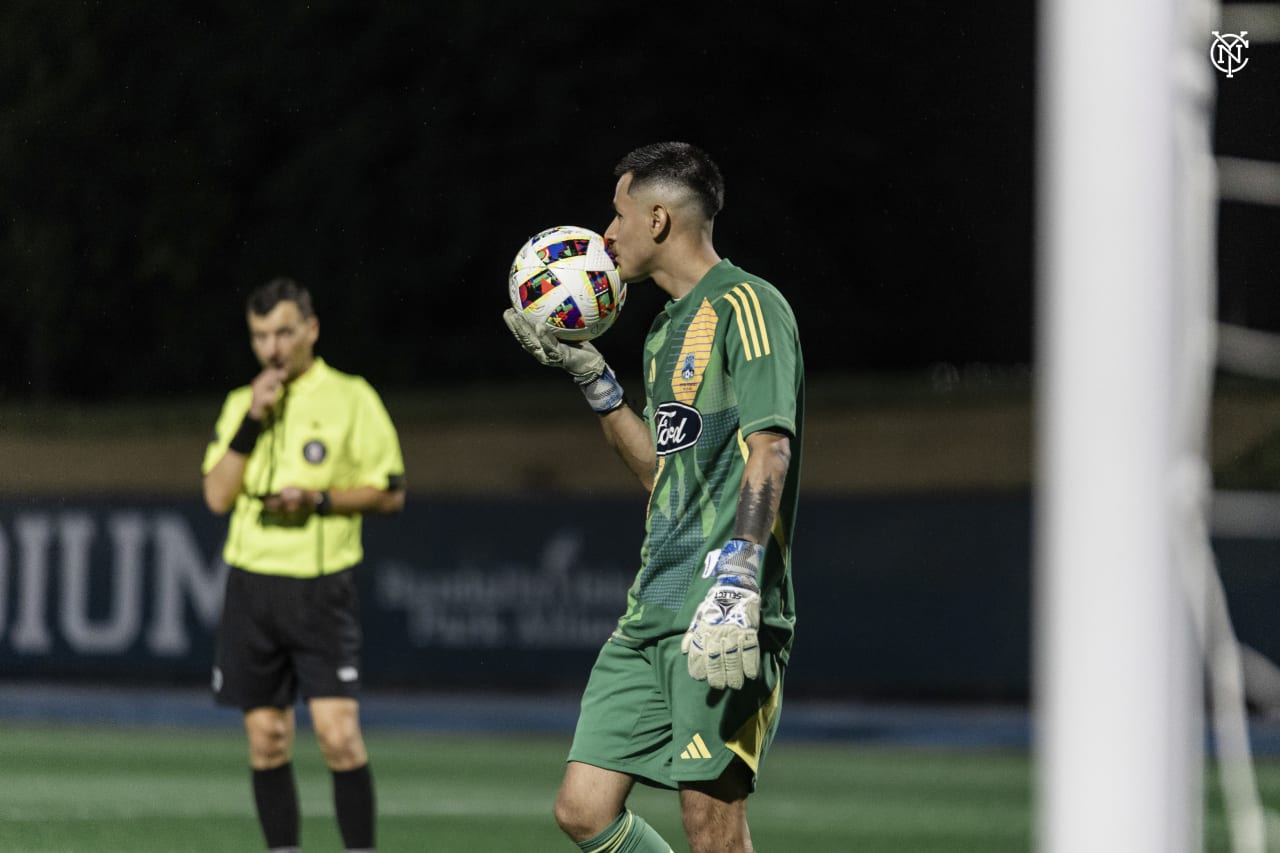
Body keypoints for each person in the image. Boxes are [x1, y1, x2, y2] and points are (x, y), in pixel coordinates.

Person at [503, 141, 804, 853]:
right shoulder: (665, 329)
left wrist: (738, 576)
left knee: (711, 825)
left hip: (724, 604)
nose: (605, 236)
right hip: (652, 608)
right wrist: (595, 381)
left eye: (618, 214)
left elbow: (772, 449)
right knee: (583, 807)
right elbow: (659, 474)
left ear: (660, 218)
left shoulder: (749, 305)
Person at [202, 277, 406, 853]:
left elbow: (391, 492)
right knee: (267, 739)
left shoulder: (351, 397)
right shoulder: (244, 404)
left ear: (311, 330)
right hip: (251, 589)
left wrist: (318, 499)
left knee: (338, 737)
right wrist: (251, 421)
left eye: (284, 332)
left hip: (320, 590)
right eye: (261, 335)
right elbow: (217, 497)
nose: (273, 347)